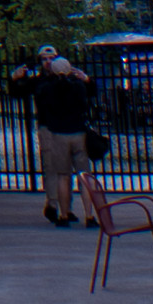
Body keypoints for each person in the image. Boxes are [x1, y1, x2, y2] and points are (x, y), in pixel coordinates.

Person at [27, 51, 99, 223]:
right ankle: (89, 215)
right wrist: (84, 79)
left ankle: (64, 214)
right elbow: (87, 100)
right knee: (84, 176)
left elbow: (42, 103)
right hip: (78, 133)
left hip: (59, 134)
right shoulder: (79, 86)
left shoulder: (47, 88)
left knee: (62, 176)